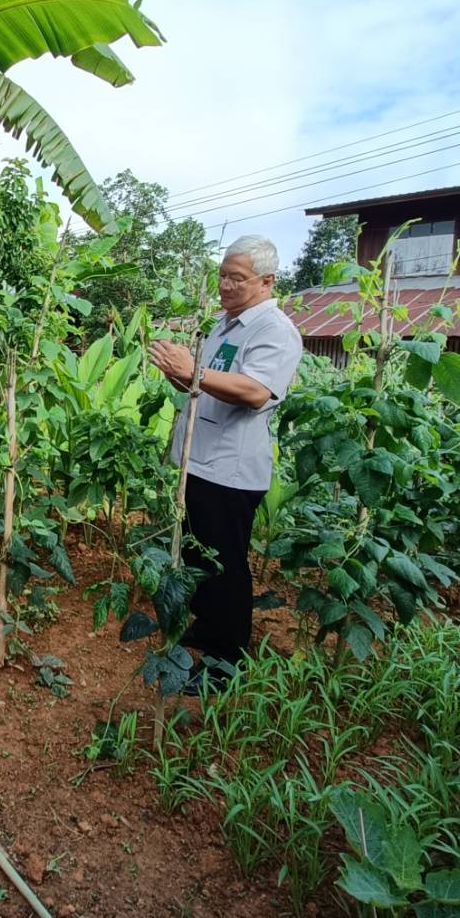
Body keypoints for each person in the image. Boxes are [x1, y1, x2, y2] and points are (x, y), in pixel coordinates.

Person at [146, 235, 303, 694]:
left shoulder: (274, 330)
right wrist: (178, 372)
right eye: (222, 275)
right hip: (198, 462)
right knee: (199, 557)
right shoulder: (222, 325)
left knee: (225, 567)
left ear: (267, 281)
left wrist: (192, 370)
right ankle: (207, 629)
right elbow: (203, 384)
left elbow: (256, 391)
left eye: (237, 278)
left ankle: (225, 663)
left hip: (230, 471)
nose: (226, 285)